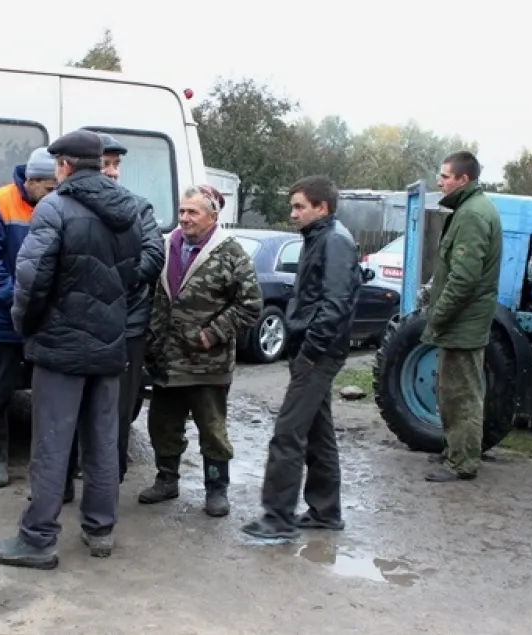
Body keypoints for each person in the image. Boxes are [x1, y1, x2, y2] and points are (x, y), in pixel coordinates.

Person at [0, 129, 141, 569]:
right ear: (98, 164)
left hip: (60, 347)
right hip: (109, 345)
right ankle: (100, 529)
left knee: (52, 445)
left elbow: (30, 282)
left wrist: (27, 327)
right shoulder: (128, 210)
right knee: (103, 441)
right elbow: (134, 274)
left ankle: (37, 539)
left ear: (64, 166)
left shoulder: (53, 208)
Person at [241, 176, 360, 541]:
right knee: (318, 431)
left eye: (298, 206)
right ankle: (326, 511)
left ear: (321, 207)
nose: (292, 213)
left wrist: (310, 350)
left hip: (318, 352)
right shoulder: (320, 237)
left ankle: (277, 517)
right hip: (312, 349)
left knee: (287, 433)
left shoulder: (334, 241)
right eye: (292, 206)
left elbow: (335, 303)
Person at [139, 184, 262, 517]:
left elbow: (250, 306)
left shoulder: (231, 253)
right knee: (162, 425)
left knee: (212, 429)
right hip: (166, 359)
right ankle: (167, 481)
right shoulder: (165, 247)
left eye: (193, 212)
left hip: (208, 362)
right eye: (182, 211)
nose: (185, 218)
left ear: (213, 215)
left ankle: (216, 489)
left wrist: (212, 334)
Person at [64, 132, 164, 488]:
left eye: (116, 165)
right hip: (77, 324)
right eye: (105, 164)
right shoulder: (66, 205)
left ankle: (110, 481)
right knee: (69, 408)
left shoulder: (139, 207)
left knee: (117, 410)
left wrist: (113, 281)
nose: (112, 172)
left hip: (126, 325)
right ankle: (64, 479)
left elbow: (153, 256)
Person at [0, 147, 57, 489]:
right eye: (48, 189)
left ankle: (46, 461)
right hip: (7, 319)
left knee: (49, 396)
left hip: (46, 320)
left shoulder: (59, 204)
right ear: (31, 180)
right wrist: (13, 296)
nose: (53, 195)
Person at [419, 151, 503, 483]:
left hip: (463, 323)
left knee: (461, 394)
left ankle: (463, 462)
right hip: (465, 322)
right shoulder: (470, 209)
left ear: (463, 180)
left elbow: (464, 278)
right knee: (454, 390)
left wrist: (437, 316)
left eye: (444, 176)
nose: (439, 182)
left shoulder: (471, 215)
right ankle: (457, 450)